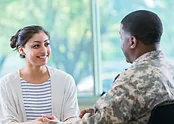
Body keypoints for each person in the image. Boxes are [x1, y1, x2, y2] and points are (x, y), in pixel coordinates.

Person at [55, 10, 174, 124]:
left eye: (121, 38)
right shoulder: (170, 70)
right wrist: (99, 112)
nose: (121, 45)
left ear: (132, 41)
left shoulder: (131, 81)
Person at [0, 25, 79, 124]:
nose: (44, 50)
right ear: (22, 50)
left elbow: (72, 118)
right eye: (36, 46)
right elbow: (7, 122)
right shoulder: (6, 84)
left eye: (46, 44)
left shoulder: (66, 80)